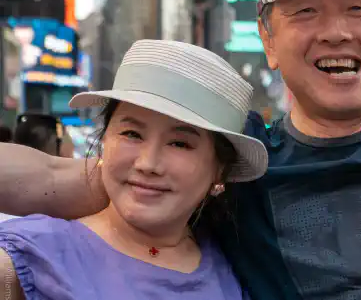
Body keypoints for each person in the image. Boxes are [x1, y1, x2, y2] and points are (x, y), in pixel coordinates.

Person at [0, 0, 361, 298]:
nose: (335, 31)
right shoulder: (237, 157)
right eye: (305, 11)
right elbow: (59, 177)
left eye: (358, 8)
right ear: (268, 42)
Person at [0, 39, 266, 299]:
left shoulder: (239, 265)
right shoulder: (35, 255)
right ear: (105, 139)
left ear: (220, 168)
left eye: (179, 144)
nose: (148, 164)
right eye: (132, 134)